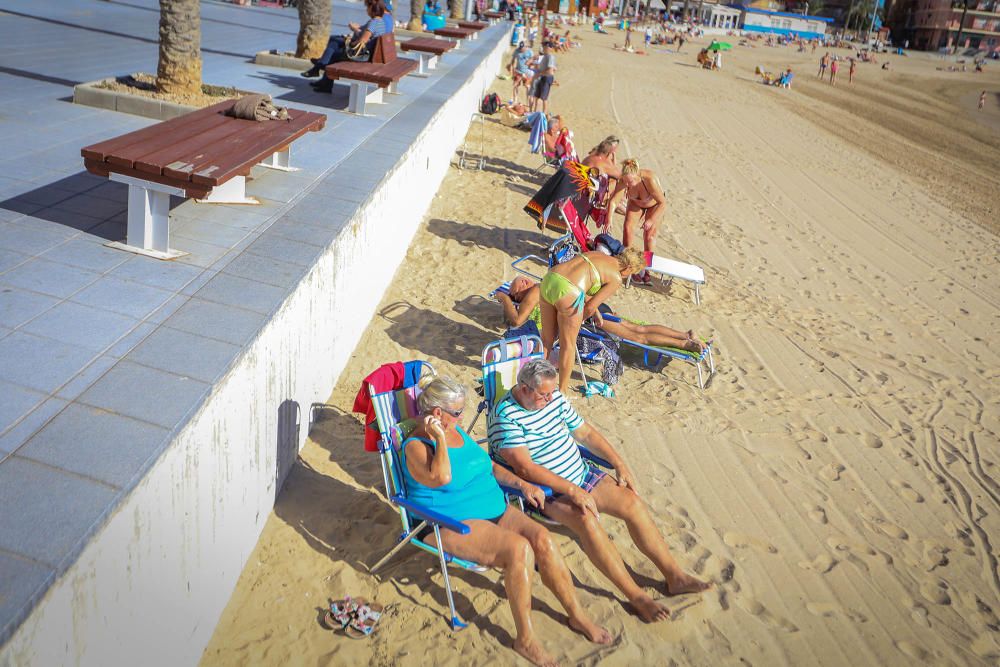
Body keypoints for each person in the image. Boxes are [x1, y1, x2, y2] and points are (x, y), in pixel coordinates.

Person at [402, 377, 612, 666]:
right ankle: (525, 639)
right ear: (437, 414)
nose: (462, 417)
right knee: (519, 550)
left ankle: (577, 615)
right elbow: (441, 478)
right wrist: (438, 438)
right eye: (457, 412)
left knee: (543, 540)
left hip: (495, 508)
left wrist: (522, 485)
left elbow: (490, 466)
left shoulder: (458, 432)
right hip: (451, 521)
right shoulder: (416, 446)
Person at [488, 360, 712, 623]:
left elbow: (586, 434)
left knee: (632, 504)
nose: (550, 399)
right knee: (587, 522)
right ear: (524, 389)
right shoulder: (505, 416)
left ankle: (675, 576)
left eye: (551, 393)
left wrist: (619, 463)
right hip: (547, 492)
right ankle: (636, 596)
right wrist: (572, 491)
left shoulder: (555, 397)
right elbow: (525, 469)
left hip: (580, 473)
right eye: (544, 395)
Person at [498, 275, 710, 353]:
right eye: (518, 285)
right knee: (640, 328)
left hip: (590, 314)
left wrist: (503, 298)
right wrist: (511, 298)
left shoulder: (535, 291)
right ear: (519, 294)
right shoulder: (548, 283)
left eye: (521, 279)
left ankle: (684, 344)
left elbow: (516, 320)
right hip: (597, 306)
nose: (523, 280)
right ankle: (684, 334)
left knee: (638, 336)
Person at [537, 249, 644, 395]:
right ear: (629, 268)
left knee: (546, 341)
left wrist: (597, 312)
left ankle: (534, 381)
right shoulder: (616, 278)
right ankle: (562, 392)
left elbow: (579, 281)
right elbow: (589, 305)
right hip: (569, 292)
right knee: (568, 345)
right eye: (631, 274)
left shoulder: (597, 255)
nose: (627, 277)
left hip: (551, 279)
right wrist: (577, 321)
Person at [304, 0, 390, 86]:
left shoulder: (374, 22)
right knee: (333, 44)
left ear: (372, 8)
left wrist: (350, 43)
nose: (366, 10)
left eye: (367, 7)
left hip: (361, 56)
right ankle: (320, 68)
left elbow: (362, 41)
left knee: (332, 49)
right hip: (369, 54)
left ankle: (320, 66)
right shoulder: (380, 22)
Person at [610, 159, 666, 278]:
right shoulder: (623, 181)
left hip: (655, 205)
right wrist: (608, 219)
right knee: (628, 228)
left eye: (631, 181)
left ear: (638, 175)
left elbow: (663, 203)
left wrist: (650, 220)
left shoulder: (650, 180)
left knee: (649, 236)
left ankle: (646, 269)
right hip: (636, 203)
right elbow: (614, 201)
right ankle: (628, 263)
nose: (628, 185)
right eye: (626, 182)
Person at [529, 41, 557, 113]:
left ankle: (543, 113)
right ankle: (535, 112)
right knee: (537, 96)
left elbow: (550, 70)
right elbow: (554, 69)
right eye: (544, 47)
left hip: (546, 78)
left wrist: (540, 73)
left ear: (550, 48)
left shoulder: (550, 57)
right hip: (542, 77)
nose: (544, 48)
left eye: (545, 47)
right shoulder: (545, 56)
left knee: (544, 98)